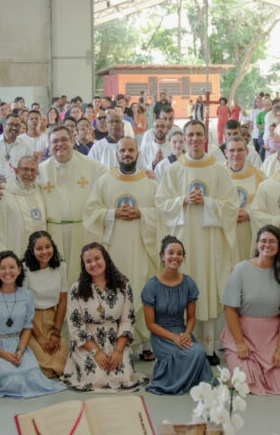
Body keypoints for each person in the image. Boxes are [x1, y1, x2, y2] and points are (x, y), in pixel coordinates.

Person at [156, 119, 239, 356]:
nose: (194, 139)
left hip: (211, 240)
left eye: (198, 134)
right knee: (184, 286)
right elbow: (161, 203)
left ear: (206, 138)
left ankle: (209, 347)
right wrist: (182, 200)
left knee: (208, 288)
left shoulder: (218, 171)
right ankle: (183, 344)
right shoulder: (174, 170)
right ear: (183, 139)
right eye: (189, 135)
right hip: (184, 240)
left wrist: (208, 203)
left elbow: (232, 205)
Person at [84, 136, 159, 355]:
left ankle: (144, 344)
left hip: (140, 246)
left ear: (137, 153)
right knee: (114, 292)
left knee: (140, 289)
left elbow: (161, 213)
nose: (127, 154)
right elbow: (90, 212)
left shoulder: (150, 183)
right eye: (123, 150)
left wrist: (141, 213)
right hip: (113, 248)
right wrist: (112, 213)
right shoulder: (104, 181)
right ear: (116, 154)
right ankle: (115, 344)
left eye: (131, 150)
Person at [222, 226, 280, 395]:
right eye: (263, 241)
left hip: (272, 334)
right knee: (244, 380)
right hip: (243, 332)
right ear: (257, 244)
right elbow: (229, 309)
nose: (267, 245)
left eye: (272, 241)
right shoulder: (241, 269)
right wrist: (240, 342)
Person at [61, 242, 148, 392]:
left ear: (106, 259)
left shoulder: (123, 285)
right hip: (88, 343)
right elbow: (75, 326)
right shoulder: (76, 289)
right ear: (84, 265)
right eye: (88, 261)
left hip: (116, 340)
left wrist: (118, 351)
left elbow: (128, 320)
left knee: (122, 377)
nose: (93, 264)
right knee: (96, 378)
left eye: (97, 258)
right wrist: (96, 352)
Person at [0, 251, 65, 398]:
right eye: (2, 268)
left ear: (19, 270)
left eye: (11, 267)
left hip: (18, 345)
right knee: (12, 379)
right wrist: (3, 354)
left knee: (34, 377)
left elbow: (27, 327)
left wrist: (20, 350)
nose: (7, 272)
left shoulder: (26, 295)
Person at [142, 236, 213, 395]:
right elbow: (150, 324)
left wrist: (187, 334)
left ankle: (189, 382)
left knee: (199, 352)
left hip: (182, 332)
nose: (175, 257)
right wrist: (173, 338)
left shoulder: (189, 284)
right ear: (162, 256)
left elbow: (192, 318)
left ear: (183, 257)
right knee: (183, 354)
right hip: (161, 335)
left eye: (179, 253)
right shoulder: (151, 286)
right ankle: (169, 378)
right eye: (171, 253)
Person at [38, 124, 107, 282]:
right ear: (49, 146)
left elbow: (110, 185)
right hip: (53, 232)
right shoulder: (41, 170)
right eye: (54, 141)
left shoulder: (94, 167)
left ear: (73, 141)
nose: (59, 144)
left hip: (83, 231)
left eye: (64, 140)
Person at [21, 232, 68, 378]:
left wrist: (56, 332)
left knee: (64, 363)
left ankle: (48, 371)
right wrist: (40, 337)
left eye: (48, 247)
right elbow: (24, 307)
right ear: (32, 250)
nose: (44, 252)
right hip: (30, 323)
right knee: (43, 361)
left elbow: (62, 302)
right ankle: (43, 371)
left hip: (52, 320)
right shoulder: (25, 268)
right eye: (39, 248)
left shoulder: (61, 267)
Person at [0, 155, 47, 258]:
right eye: (25, 169)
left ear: (37, 173)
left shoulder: (40, 191)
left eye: (33, 170)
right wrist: (0, 253)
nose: (29, 174)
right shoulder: (4, 193)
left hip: (39, 255)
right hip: (14, 251)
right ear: (17, 170)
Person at [226, 135, 267, 262]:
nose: (236, 154)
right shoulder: (217, 175)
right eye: (232, 150)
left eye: (240, 150)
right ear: (225, 152)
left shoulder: (260, 177)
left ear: (247, 152)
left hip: (250, 231)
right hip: (225, 232)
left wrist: (249, 214)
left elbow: (266, 206)